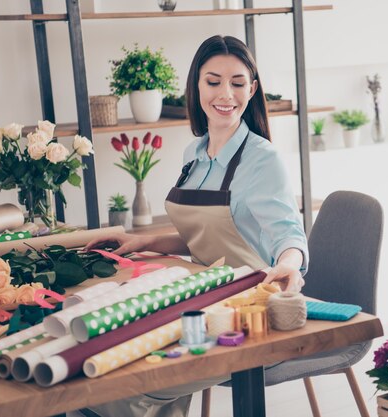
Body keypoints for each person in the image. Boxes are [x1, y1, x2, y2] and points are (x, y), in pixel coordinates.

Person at [84, 35, 308, 417]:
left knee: (131, 383)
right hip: (202, 293)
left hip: (245, 310)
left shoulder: (261, 160)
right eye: (213, 81)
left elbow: (290, 234)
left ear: (252, 90)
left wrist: (289, 262)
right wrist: (140, 241)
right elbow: (205, 238)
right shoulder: (194, 154)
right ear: (196, 86)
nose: (226, 93)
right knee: (104, 360)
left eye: (238, 83)